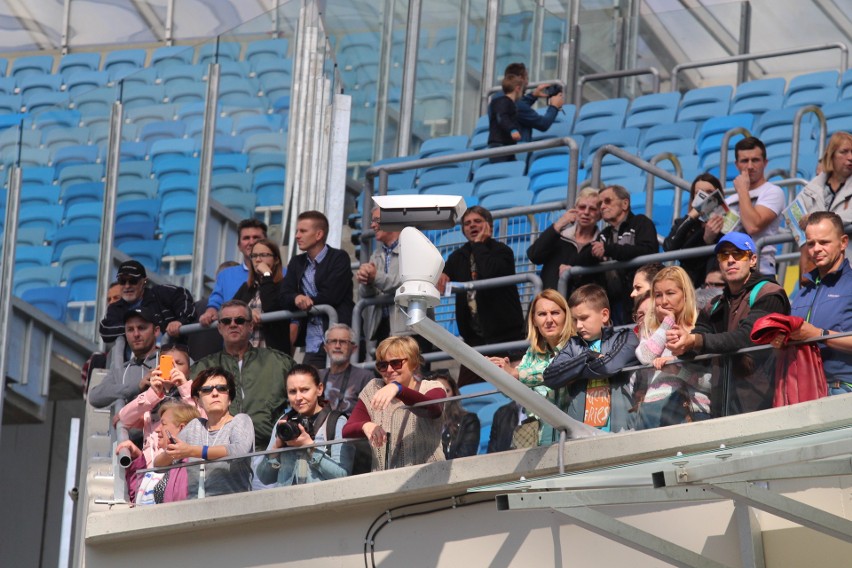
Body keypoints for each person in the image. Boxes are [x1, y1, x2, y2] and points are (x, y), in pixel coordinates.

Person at [666, 232, 790, 415]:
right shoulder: (715, 303)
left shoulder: (770, 294)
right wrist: (681, 344)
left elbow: (747, 337)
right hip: (721, 404)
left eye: (738, 254)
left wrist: (694, 340)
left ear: (753, 260)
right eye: (724, 255)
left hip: (763, 404)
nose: (730, 260)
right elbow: (699, 339)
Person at [437, 206, 526, 386]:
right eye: (467, 223)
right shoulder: (458, 256)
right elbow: (446, 272)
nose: (472, 226)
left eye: (477, 221)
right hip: (474, 341)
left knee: (511, 387)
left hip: (505, 337)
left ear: (489, 226)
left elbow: (490, 271)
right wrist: (442, 274)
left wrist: (478, 245)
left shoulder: (502, 251)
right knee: (466, 390)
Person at [190, 300, 295, 449]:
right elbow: (184, 407)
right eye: (226, 321)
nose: (233, 324)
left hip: (269, 451)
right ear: (219, 328)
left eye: (239, 320)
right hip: (218, 452)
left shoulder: (279, 363)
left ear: (250, 326)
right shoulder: (203, 367)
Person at [542, 284, 640, 433]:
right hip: (581, 435)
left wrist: (572, 372)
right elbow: (549, 377)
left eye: (584, 318)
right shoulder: (573, 345)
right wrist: (588, 356)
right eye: (574, 320)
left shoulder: (626, 337)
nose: (579, 326)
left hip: (620, 432)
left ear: (605, 315)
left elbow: (609, 366)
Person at [342, 336, 445, 471]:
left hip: (430, 476)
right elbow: (347, 430)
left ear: (413, 363)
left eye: (396, 363)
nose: (389, 370)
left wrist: (398, 389)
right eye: (383, 366)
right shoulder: (373, 389)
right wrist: (365, 425)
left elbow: (433, 409)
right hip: (387, 481)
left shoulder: (432, 387)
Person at [489, 289, 573, 445]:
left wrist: (515, 373)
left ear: (566, 316)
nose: (549, 320)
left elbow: (556, 371)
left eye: (555, 313)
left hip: (571, 434)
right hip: (539, 438)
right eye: (542, 314)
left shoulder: (575, 345)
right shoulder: (532, 353)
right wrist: (499, 370)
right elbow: (513, 391)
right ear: (534, 320)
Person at [156, 367, 254, 498]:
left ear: (230, 398)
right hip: (196, 510)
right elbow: (158, 465)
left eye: (221, 388)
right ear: (198, 401)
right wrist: (173, 451)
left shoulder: (240, 420)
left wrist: (191, 451)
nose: (215, 393)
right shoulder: (195, 426)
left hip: (233, 508)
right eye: (207, 390)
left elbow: (239, 450)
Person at [634, 266, 712, 428]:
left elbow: (710, 383)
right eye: (658, 295)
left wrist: (678, 370)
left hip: (694, 410)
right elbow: (645, 357)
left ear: (685, 294)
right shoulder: (651, 327)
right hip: (653, 410)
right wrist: (667, 323)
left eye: (670, 293)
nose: (663, 301)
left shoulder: (700, 329)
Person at [784, 212, 852, 395]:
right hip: (803, 390)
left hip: (841, 390)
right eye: (811, 243)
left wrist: (818, 335)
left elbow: (813, 334)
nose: (816, 249)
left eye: (824, 242)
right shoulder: (803, 292)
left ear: (843, 242)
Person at [255, 364, 354, 486]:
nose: (298, 397)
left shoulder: (336, 422)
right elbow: (264, 478)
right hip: (288, 502)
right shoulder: (284, 422)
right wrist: (276, 448)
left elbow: (343, 475)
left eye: (304, 390)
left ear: (319, 389)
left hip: (322, 502)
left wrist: (310, 447)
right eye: (292, 391)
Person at [574, 185, 659, 325]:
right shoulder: (605, 235)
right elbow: (581, 258)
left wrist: (609, 250)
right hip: (614, 304)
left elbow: (648, 250)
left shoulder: (641, 222)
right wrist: (593, 253)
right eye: (600, 203)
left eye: (607, 201)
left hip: (640, 299)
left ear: (625, 204)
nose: (602, 207)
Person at [281, 210, 355, 369]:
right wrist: (296, 298)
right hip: (312, 342)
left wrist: (309, 301)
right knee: (313, 386)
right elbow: (284, 294)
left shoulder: (339, 257)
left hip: (339, 337)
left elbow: (332, 295)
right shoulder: (296, 262)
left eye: (303, 231)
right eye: (296, 231)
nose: (297, 236)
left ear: (319, 234)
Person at [706, 137, 785, 277]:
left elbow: (753, 226)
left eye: (755, 160)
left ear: (765, 163)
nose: (749, 166)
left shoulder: (773, 191)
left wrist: (743, 190)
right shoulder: (729, 200)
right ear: (736, 164)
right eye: (744, 161)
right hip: (730, 272)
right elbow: (715, 240)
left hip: (761, 270)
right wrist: (709, 235)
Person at [117, 344, 196, 468]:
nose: (173, 368)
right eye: (168, 364)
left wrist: (185, 388)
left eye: (179, 363)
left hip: (182, 469)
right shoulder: (151, 398)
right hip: (151, 474)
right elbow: (124, 417)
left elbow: (201, 423)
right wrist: (152, 394)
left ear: (189, 371)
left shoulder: (196, 396)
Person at [117, 401, 201, 505]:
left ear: (182, 428)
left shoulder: (190, 467)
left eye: (163, 424)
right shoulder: (166, 464)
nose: (157, 430)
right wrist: (137, 459)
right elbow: (139, 498)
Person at [99, 260, 196, 344]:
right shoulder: (115, 308)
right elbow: (105, 331)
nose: (127, 286)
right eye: (122, 281)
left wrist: (180, 321)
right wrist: (139, 328)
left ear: (144, 282)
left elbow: (184, 297)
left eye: (133, 281)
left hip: (169, 358)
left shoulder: (160, 293)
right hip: (133, 363)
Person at [526, 188, 601, 292]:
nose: (586, 212)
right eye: (582, 207)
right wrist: (559, 224)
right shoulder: (559, 237)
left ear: (600, 215)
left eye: (592, 209)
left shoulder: (601, 244)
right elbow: (534, 256)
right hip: (552, 304)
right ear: (575, 209)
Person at [199, 219, 269, 327]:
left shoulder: (284, 273)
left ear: (267, 242)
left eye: (256, 237)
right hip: (233, 341)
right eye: (246, 238)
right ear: (239, 245)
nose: (251, 242)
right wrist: (210, 312)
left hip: (272, 341)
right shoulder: (225, 275)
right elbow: (215, 303)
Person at [89, 307, 161, 410]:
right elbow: (94, 397)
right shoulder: (121, 369)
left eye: (141, 328)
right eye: (130, 329)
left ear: (156, 331)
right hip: (126, 426)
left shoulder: (170, 360)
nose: (136, 334)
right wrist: (136, 387)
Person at [662, 173, 725, 288]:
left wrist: (709, 241)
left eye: (710, 192)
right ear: (692, 198)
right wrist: (691, 216)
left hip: (715, 285)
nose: (705, 197)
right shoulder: (684, 223)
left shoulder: (726, 225)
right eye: (698, 193)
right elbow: (669, 246)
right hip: (690, 285)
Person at [357, 208, 405, 348]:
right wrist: (366, 281)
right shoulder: (376, 255)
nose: (372, 226)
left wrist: (375, 277)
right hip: (384, 327)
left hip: (409, 329)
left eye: (377, 220)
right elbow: (366, 294)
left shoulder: (411, 249)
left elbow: (405, 283)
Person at [232, 239, 291, 354]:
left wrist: (267, 274)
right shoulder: (247, 287)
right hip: (244, 354)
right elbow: (228, 309)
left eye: (264, 255)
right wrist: (246, 312)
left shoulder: (285, 285)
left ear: (276, 260)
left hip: (271, 355)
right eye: (254, 256)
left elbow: (270, 306)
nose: (258, 260)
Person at [319, 324, 375, 413]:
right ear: (326, 348)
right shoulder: (317, 376)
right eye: (333, 341)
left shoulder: (365, 377)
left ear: (354, 348)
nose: (337, 346)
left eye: (343, 341)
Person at [503, 62, 565, 143]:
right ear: (521, 78)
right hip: (518, 152)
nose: (527, 83)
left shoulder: (498, 101)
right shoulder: (516, 105)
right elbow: (543, 124)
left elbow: (519, 107)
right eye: (527, 78)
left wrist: (533, 95)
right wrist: (554, 106)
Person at [431, 372, 480, 459]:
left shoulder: (468, 421)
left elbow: (465, 459)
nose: (442, 395)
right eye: (435, 391)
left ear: (454, 393)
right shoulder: (418, 423)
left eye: (446, 390)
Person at [486, 74, 524, 162]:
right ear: (517, 89)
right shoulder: (502, 101)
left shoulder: (509, 103)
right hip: (499, 145)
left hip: (507, 145)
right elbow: (501, 117)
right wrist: (513, 130)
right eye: (522, 90)